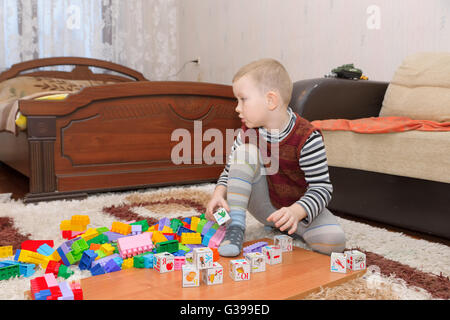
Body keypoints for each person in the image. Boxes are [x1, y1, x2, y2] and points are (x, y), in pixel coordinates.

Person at [205, 58, 346, 257]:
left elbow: (322, 188)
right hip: (264, 206)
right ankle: (235, 226)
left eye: (243, 99)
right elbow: (230, 171)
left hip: (297, 209)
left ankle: (287, 227)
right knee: (243, 155)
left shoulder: (307, 137)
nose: (237, 108)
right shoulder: (247, 133)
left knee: (334, 242)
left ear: (271, 100)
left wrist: (296, 213)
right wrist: (218, 194)